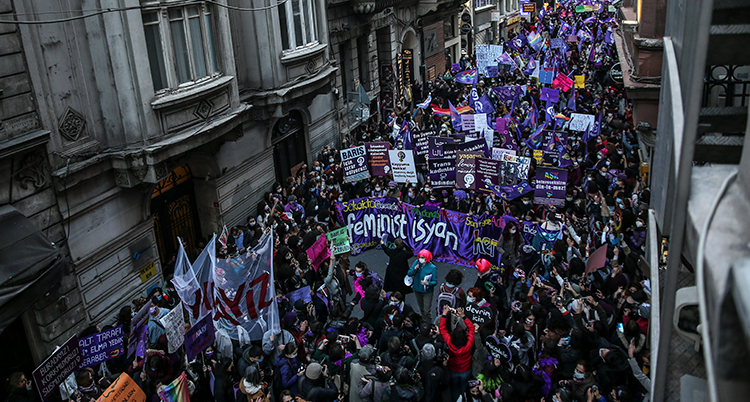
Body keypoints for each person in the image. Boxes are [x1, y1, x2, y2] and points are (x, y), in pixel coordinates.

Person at [439, 305, 475, 402]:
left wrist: (444, 315)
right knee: (464, 387)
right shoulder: (469, 343)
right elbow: (471, 328)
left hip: (453, 369)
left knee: (454, 388)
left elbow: (442, 329)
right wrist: (463, 316)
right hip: (466, 369)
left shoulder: (449, 342)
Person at [407, 249, 439, 323]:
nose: (421, 259)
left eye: (423, 257)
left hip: (427, 291)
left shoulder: (432, 267)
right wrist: (414, 269)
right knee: (421, 308)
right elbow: (409, 273)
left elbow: (435, 281)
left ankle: (429, 323)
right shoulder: (417, 263)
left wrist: (428, 283)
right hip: (417, 289)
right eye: (420, 257)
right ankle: (423, 321)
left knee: (427, 310)